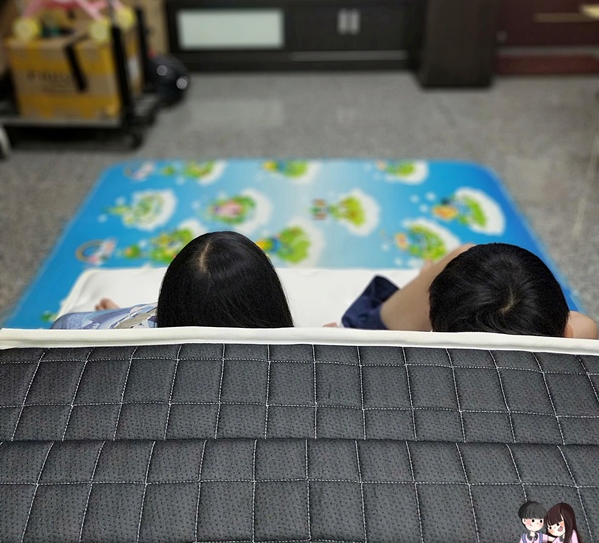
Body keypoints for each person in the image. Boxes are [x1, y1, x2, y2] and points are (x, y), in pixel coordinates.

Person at [341, 242, 597, 340]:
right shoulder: (581, 334)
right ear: (566, 332)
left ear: (434, 329)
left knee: (463, 255)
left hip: (386, 337)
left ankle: (432, 279)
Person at [51, 231, 294, 330]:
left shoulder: (72, 327)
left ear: (172, 292)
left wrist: (121, 326)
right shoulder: (295, 360)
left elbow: (65, 326)